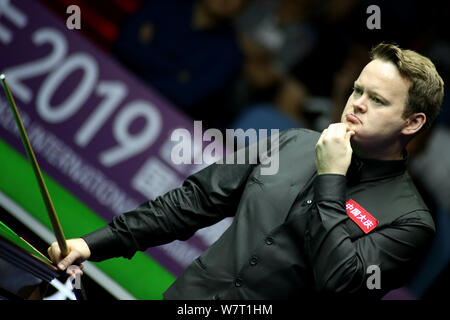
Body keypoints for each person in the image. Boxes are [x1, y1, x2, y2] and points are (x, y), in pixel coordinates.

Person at [48, 43, 444, 299]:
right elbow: (193, 202)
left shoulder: (410, 222)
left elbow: (340, 282)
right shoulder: (292, 143)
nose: (356, 103)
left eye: (376, 100)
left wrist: (331, 180)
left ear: (411, 123)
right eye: (357, 90)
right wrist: (94, 244)